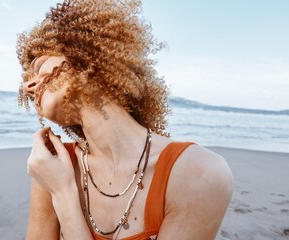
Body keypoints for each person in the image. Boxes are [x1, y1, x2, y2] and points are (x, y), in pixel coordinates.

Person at [16, 0, 233, 239]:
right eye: (26, 78)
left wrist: (63, 193)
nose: (28, 86)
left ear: (87, 50)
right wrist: (56, 187)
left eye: (39, 67)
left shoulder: (198, 173)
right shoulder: (52, 168)